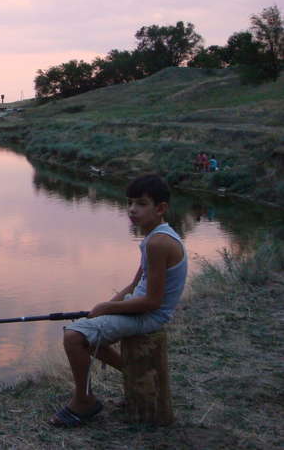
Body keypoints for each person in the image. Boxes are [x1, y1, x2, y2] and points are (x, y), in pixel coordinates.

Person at [50, 173, 188, 427]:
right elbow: (135, 285)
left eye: (141, 204)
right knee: (86, 333)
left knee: (73, 336)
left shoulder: (159, 243)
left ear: (161, 208)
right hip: (141, 309)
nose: (132, 210)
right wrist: (106, 307)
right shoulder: (155, 237)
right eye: (130, 203)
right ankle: (135, 373)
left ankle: (84, 401)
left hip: (150, 316)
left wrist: (108, 307)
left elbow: (152, 302)